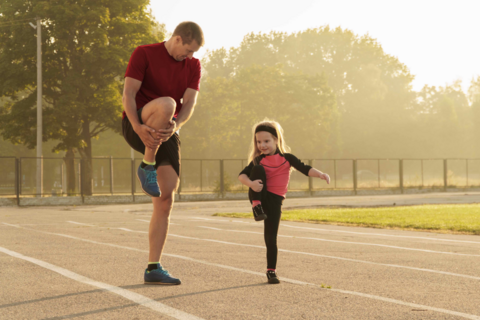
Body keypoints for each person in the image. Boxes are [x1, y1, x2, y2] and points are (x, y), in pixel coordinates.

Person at [122, 21, 204, 285]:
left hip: (167, 128)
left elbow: (189, 102)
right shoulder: (144, 53)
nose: (189, 57)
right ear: (178, 39)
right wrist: (137, 126)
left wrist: (176, 127)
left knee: (165, 197)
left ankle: (153, 267)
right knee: (168, 103)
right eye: (188, 50)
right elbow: (129, 93)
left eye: (193, 53)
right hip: (139, 119)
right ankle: (147, 164)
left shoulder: (193, 66)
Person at [238, 119, 330, 284]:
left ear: (276, 140)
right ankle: (256, 207)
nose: (262, 145)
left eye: (266, 141)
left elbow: (305, 168)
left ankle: (271, 271)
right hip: (260, 195)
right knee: (256, 169)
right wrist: (251, 184)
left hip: (275, 201)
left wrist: (321, 174)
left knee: (271, 237)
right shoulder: (258, 160)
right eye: (259, 142)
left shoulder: (287, 158)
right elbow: (242, 176)